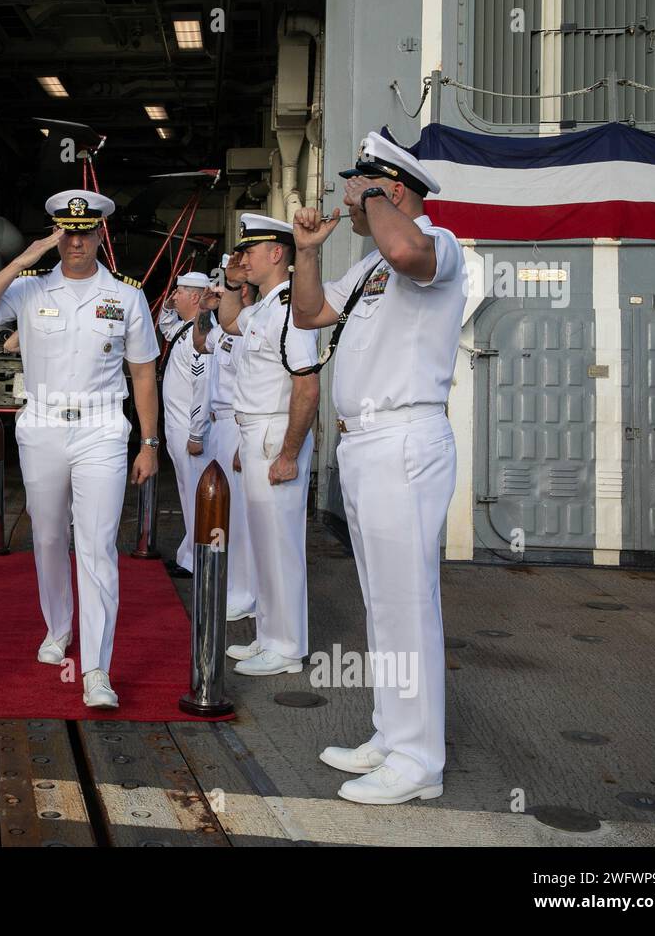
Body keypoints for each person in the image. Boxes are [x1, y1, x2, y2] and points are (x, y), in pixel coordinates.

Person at [290, 130, 468, 805]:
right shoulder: (368, 269)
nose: (344, 199)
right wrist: (307, 253)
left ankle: (420, 760)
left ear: (389, 187)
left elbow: (404, 246)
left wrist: (372, 199)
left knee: (408, 604)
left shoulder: (434, 247)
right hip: (364, 446)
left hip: (405, 441)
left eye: (356, 186)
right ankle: (393, 735)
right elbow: (309, 312)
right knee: (383, 605)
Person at [0, 189, 161, 709]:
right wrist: (24, 258)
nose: (76, 241)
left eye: (85, 232)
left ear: (100, 235)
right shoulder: (28, 289)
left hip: (101, 430)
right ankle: (58, 627)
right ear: (56, 234)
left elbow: (142, 373)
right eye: (67, 233)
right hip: (43, 424)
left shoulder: (127, 296)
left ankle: (96, 669)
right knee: (48, 536)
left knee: (96, 547)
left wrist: (149, 442)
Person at [215, 215, 320, 677]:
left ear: (277, 253)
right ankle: (269, 635)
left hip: (277, 433)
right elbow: (229, 325)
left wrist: (290, 453)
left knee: (281, 546)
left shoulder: (293, 310)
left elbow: (307, 386)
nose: (243, 259)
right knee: (263, 545)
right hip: (255, 431)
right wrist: (231, 278)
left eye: (250, 251)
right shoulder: (261, 309)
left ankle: (289, 647)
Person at [200, 254, 258, 621]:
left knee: (243, 519)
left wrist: (242, 440)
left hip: (239, 425)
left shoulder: (253, 326)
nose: (220, 294)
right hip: (220, 424)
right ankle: (236, 586)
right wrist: (202, 311)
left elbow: (250, 384)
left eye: (226, 289)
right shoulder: (226, 330)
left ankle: (248, 593)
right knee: (226, 514)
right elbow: (199, 343)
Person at [155, 271, 212, 580]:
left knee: (194, 496)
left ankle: (195, 559)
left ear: (194, 297)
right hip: (178, 427)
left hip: (189, 429)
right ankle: (189, 554)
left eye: (178, 292)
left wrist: (196, 432)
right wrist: (167, 304)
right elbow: (166, 327)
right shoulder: (184, 328)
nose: (173, 296)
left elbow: (205, 386)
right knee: (186, 492)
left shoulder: (200, 335)